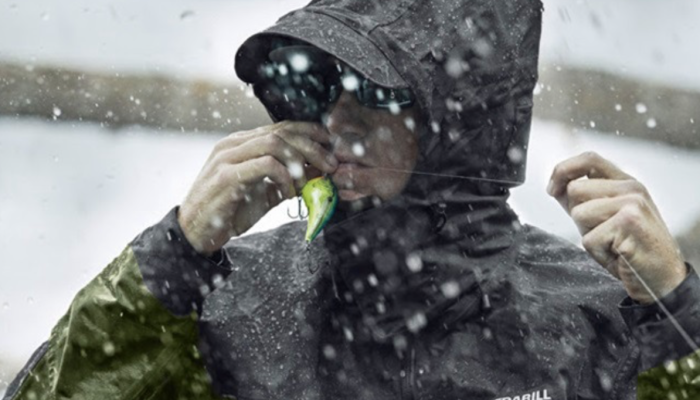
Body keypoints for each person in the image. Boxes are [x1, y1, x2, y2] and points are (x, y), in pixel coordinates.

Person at [4, 0, 700, 399]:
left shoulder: (601, 318)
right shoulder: (226, 306)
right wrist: (173, 257)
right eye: (322, 95)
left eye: (371, 101)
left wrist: (680, 315)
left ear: (454, 131)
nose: (334, 129)